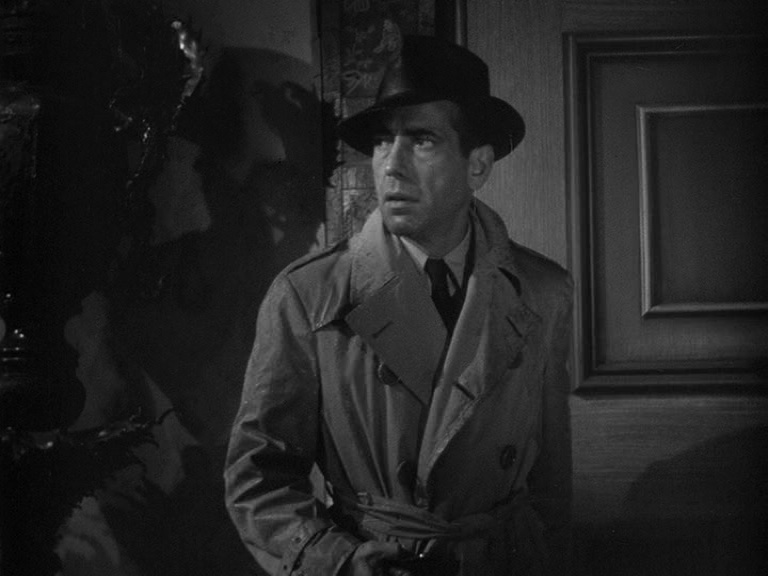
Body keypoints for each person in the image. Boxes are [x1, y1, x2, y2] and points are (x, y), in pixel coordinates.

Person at [224, 35, 573, 576]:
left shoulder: (543, 291)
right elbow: (258, 478)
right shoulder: (309, 296)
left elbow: (551, 479)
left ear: (477, 165)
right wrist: (339, 562)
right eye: (383, 142)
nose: (391, 165)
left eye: (422, 140)